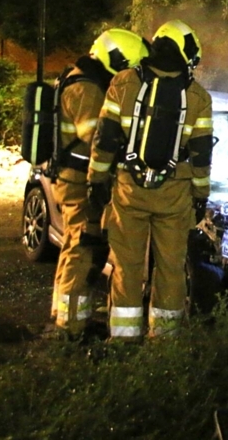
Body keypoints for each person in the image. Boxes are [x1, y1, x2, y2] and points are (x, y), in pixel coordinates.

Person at [87, 20, 213, 340]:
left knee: (127, 267)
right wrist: (201, 196)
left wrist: (96, 180)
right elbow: (201, 154)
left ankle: (124, 341)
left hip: (129, 189)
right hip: (175, 194)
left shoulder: (124, 82)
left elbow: (105, 139)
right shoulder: (197, 95)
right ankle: (164, 344)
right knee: (171, 269)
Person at [50, 28, 150, 337]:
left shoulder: (81, 77)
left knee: (75, 247)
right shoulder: (88, 90)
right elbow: (96, 139)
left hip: (75, 179)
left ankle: (65, 316)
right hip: (80, 182)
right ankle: (71, 328)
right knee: (83, 248)